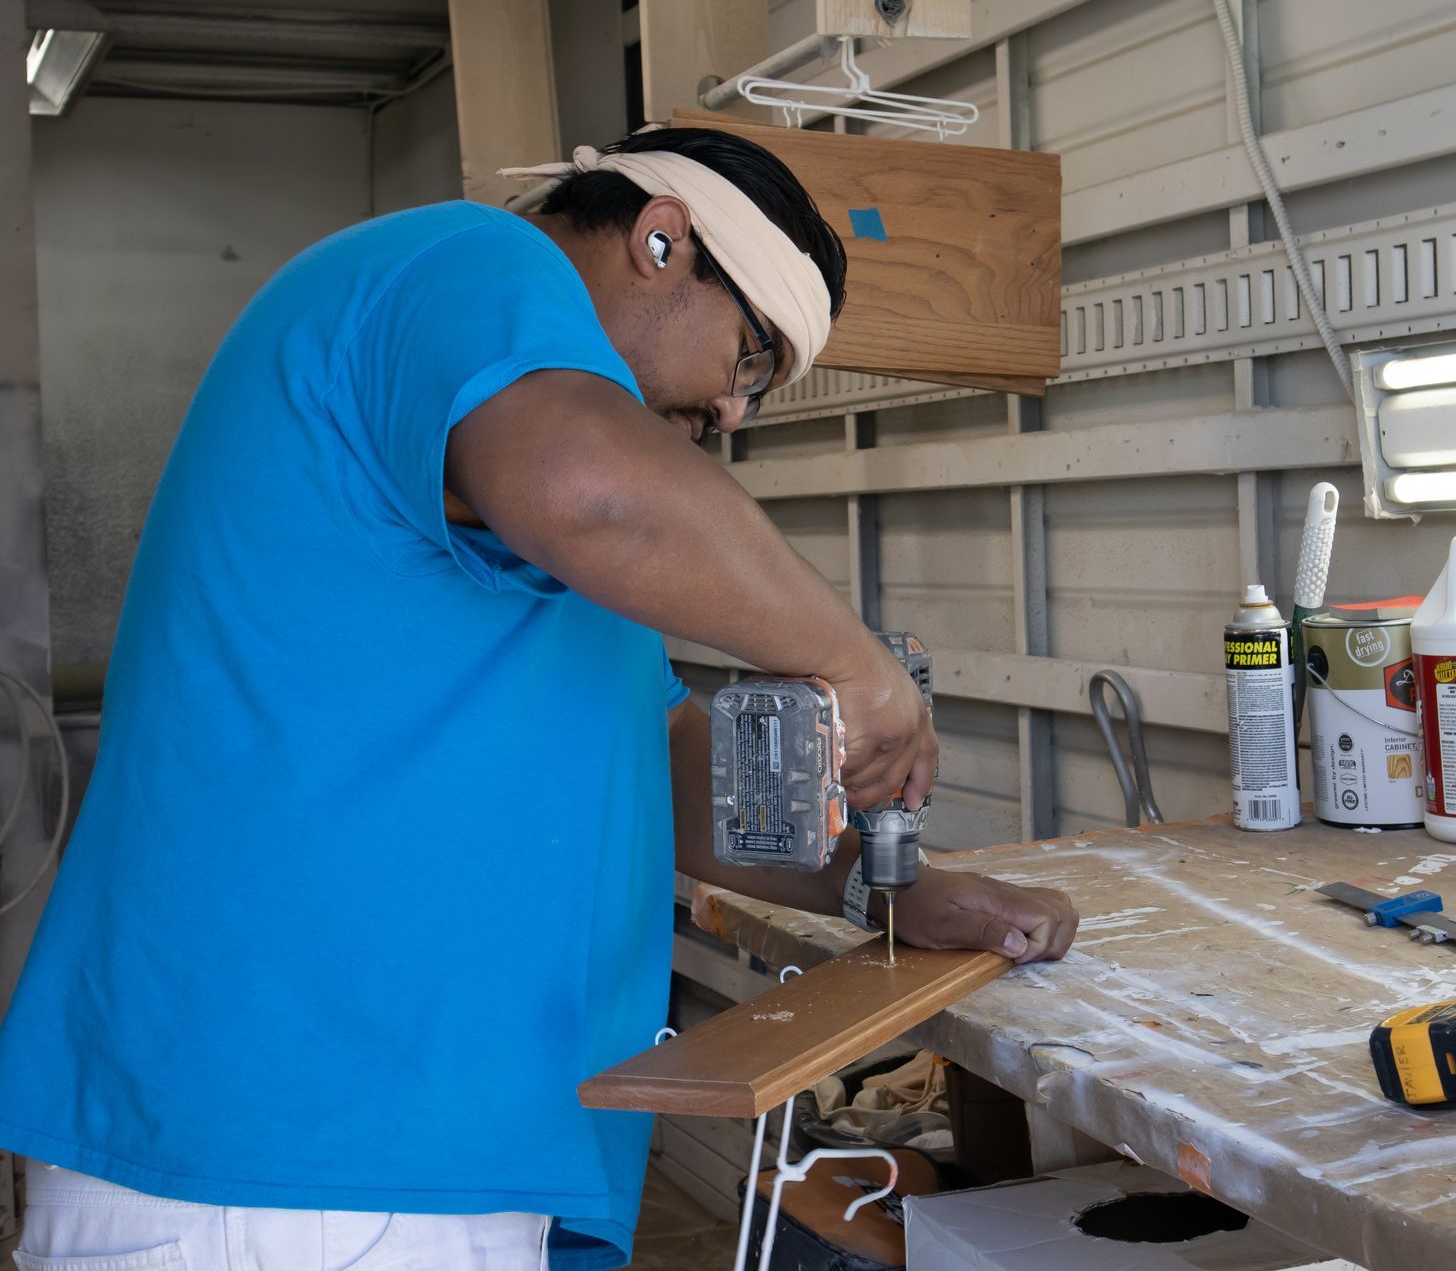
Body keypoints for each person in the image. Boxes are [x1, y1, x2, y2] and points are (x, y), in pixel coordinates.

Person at [0, 126, 1079, 1271]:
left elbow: (651, 757)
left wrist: (877, 881)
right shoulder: (470, 264)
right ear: (662, 241)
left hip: (401, 1161)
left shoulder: (545, 510)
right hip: (291, 1159)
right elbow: (592, 490)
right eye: (752, 358)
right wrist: (857, 667)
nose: (734, 414)